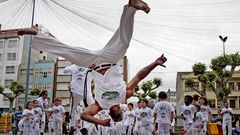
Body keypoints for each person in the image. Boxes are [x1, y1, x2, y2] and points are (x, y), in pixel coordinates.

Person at [16, 0, 160, 126]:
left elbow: (139, 76)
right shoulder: (100, 105)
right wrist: (101, 122)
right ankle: (39, 32)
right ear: (111, 112)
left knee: (123, 42)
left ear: (119, 110)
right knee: (66, 50)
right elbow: (85, 115)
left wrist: (155, 63)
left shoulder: (122, 97)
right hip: (94, 64)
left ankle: (132, 8)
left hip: (106, 60)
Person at [63, 64, 95, 132]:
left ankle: (87, 126)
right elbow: (64, 70)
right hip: (78, 92)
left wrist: (93, 67)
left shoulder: (88, 67)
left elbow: (97, 72)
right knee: (73, 109)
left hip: (85, 92)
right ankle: (72, 126)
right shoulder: (74, 66)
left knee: (93, 107)